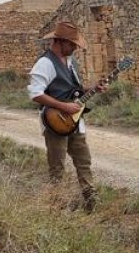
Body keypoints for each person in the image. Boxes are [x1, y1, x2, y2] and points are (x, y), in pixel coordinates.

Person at [28, 21, 106, 212]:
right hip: (55, 124)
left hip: (76, 122)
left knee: (84, 161)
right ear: (59, 41)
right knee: (57, 167)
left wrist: (92, 89)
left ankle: (91, 204)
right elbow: (35, 94)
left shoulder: (71, 63)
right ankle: (55, 206)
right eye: (71, 44)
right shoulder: (45, 63)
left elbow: (74, 92)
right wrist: (64, 106)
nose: (74, 48)